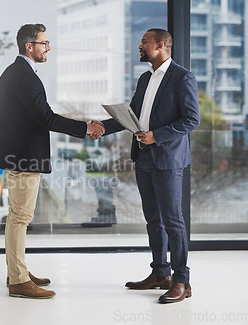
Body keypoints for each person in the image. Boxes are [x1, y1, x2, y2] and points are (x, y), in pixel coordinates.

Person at [0, 23, 104, 299]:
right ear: (29, 46)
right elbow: (46, 118)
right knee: (20, 218)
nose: (48, 48)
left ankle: (16, 271)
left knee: (17, 216)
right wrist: (84, 128)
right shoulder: (24, 76)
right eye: (44, 43)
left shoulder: (16, 73)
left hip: (18, 153)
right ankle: (19, 280)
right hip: (23, 157)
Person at [95, 28, 200, 303]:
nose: (140, 45)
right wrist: (98, 128)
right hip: (143, 158)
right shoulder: (145, 78)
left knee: (173, 221)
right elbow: (130, 117)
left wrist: (157, 135)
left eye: (145, 42)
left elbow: (191, 120)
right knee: (153, 220)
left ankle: (181, 281)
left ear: (161, 45)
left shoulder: (182, 77)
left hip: (168, 160)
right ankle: (160, 274)